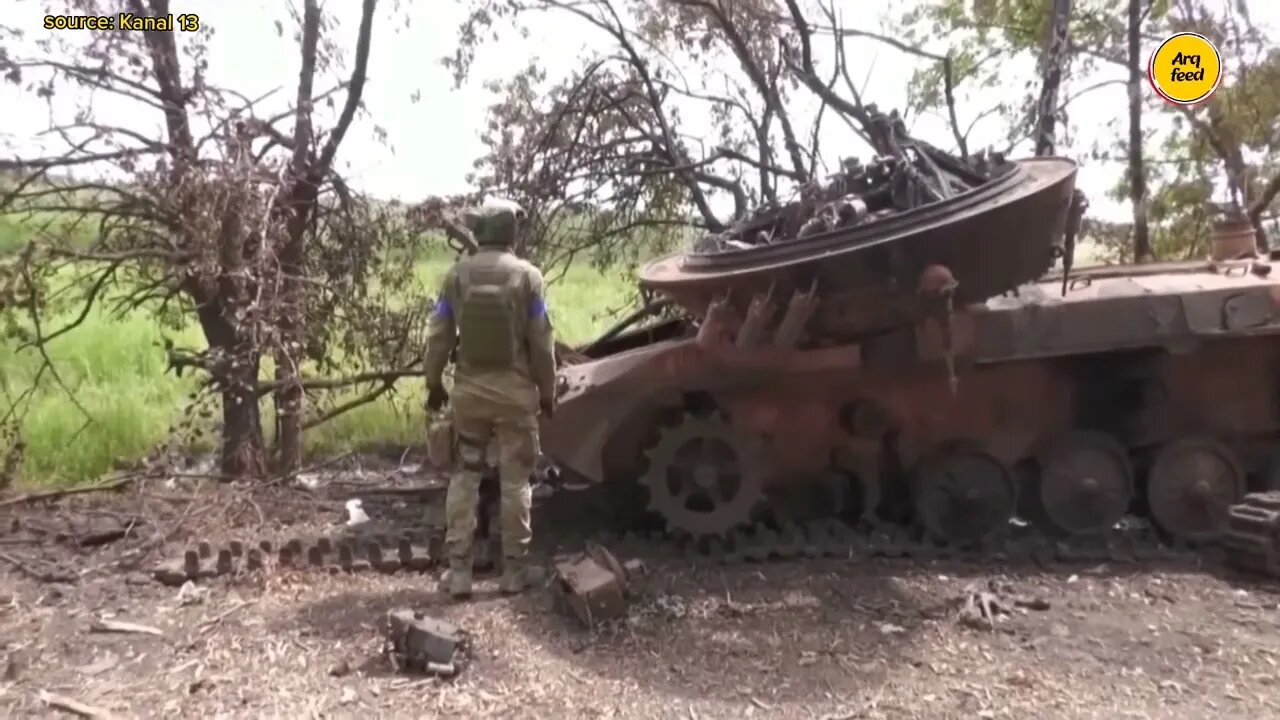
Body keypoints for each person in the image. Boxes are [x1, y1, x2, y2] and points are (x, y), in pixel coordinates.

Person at [423, 202, 557, 599]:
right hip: (516, 397)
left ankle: (460, 572)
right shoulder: (529, 277)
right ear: (510, 233)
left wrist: (433, 382)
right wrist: (547, 393)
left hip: (469, 395)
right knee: (516, 480)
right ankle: (514, 573)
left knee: (465, 475)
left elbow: (438, 335)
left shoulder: (456, 276)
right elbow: (542, 343)